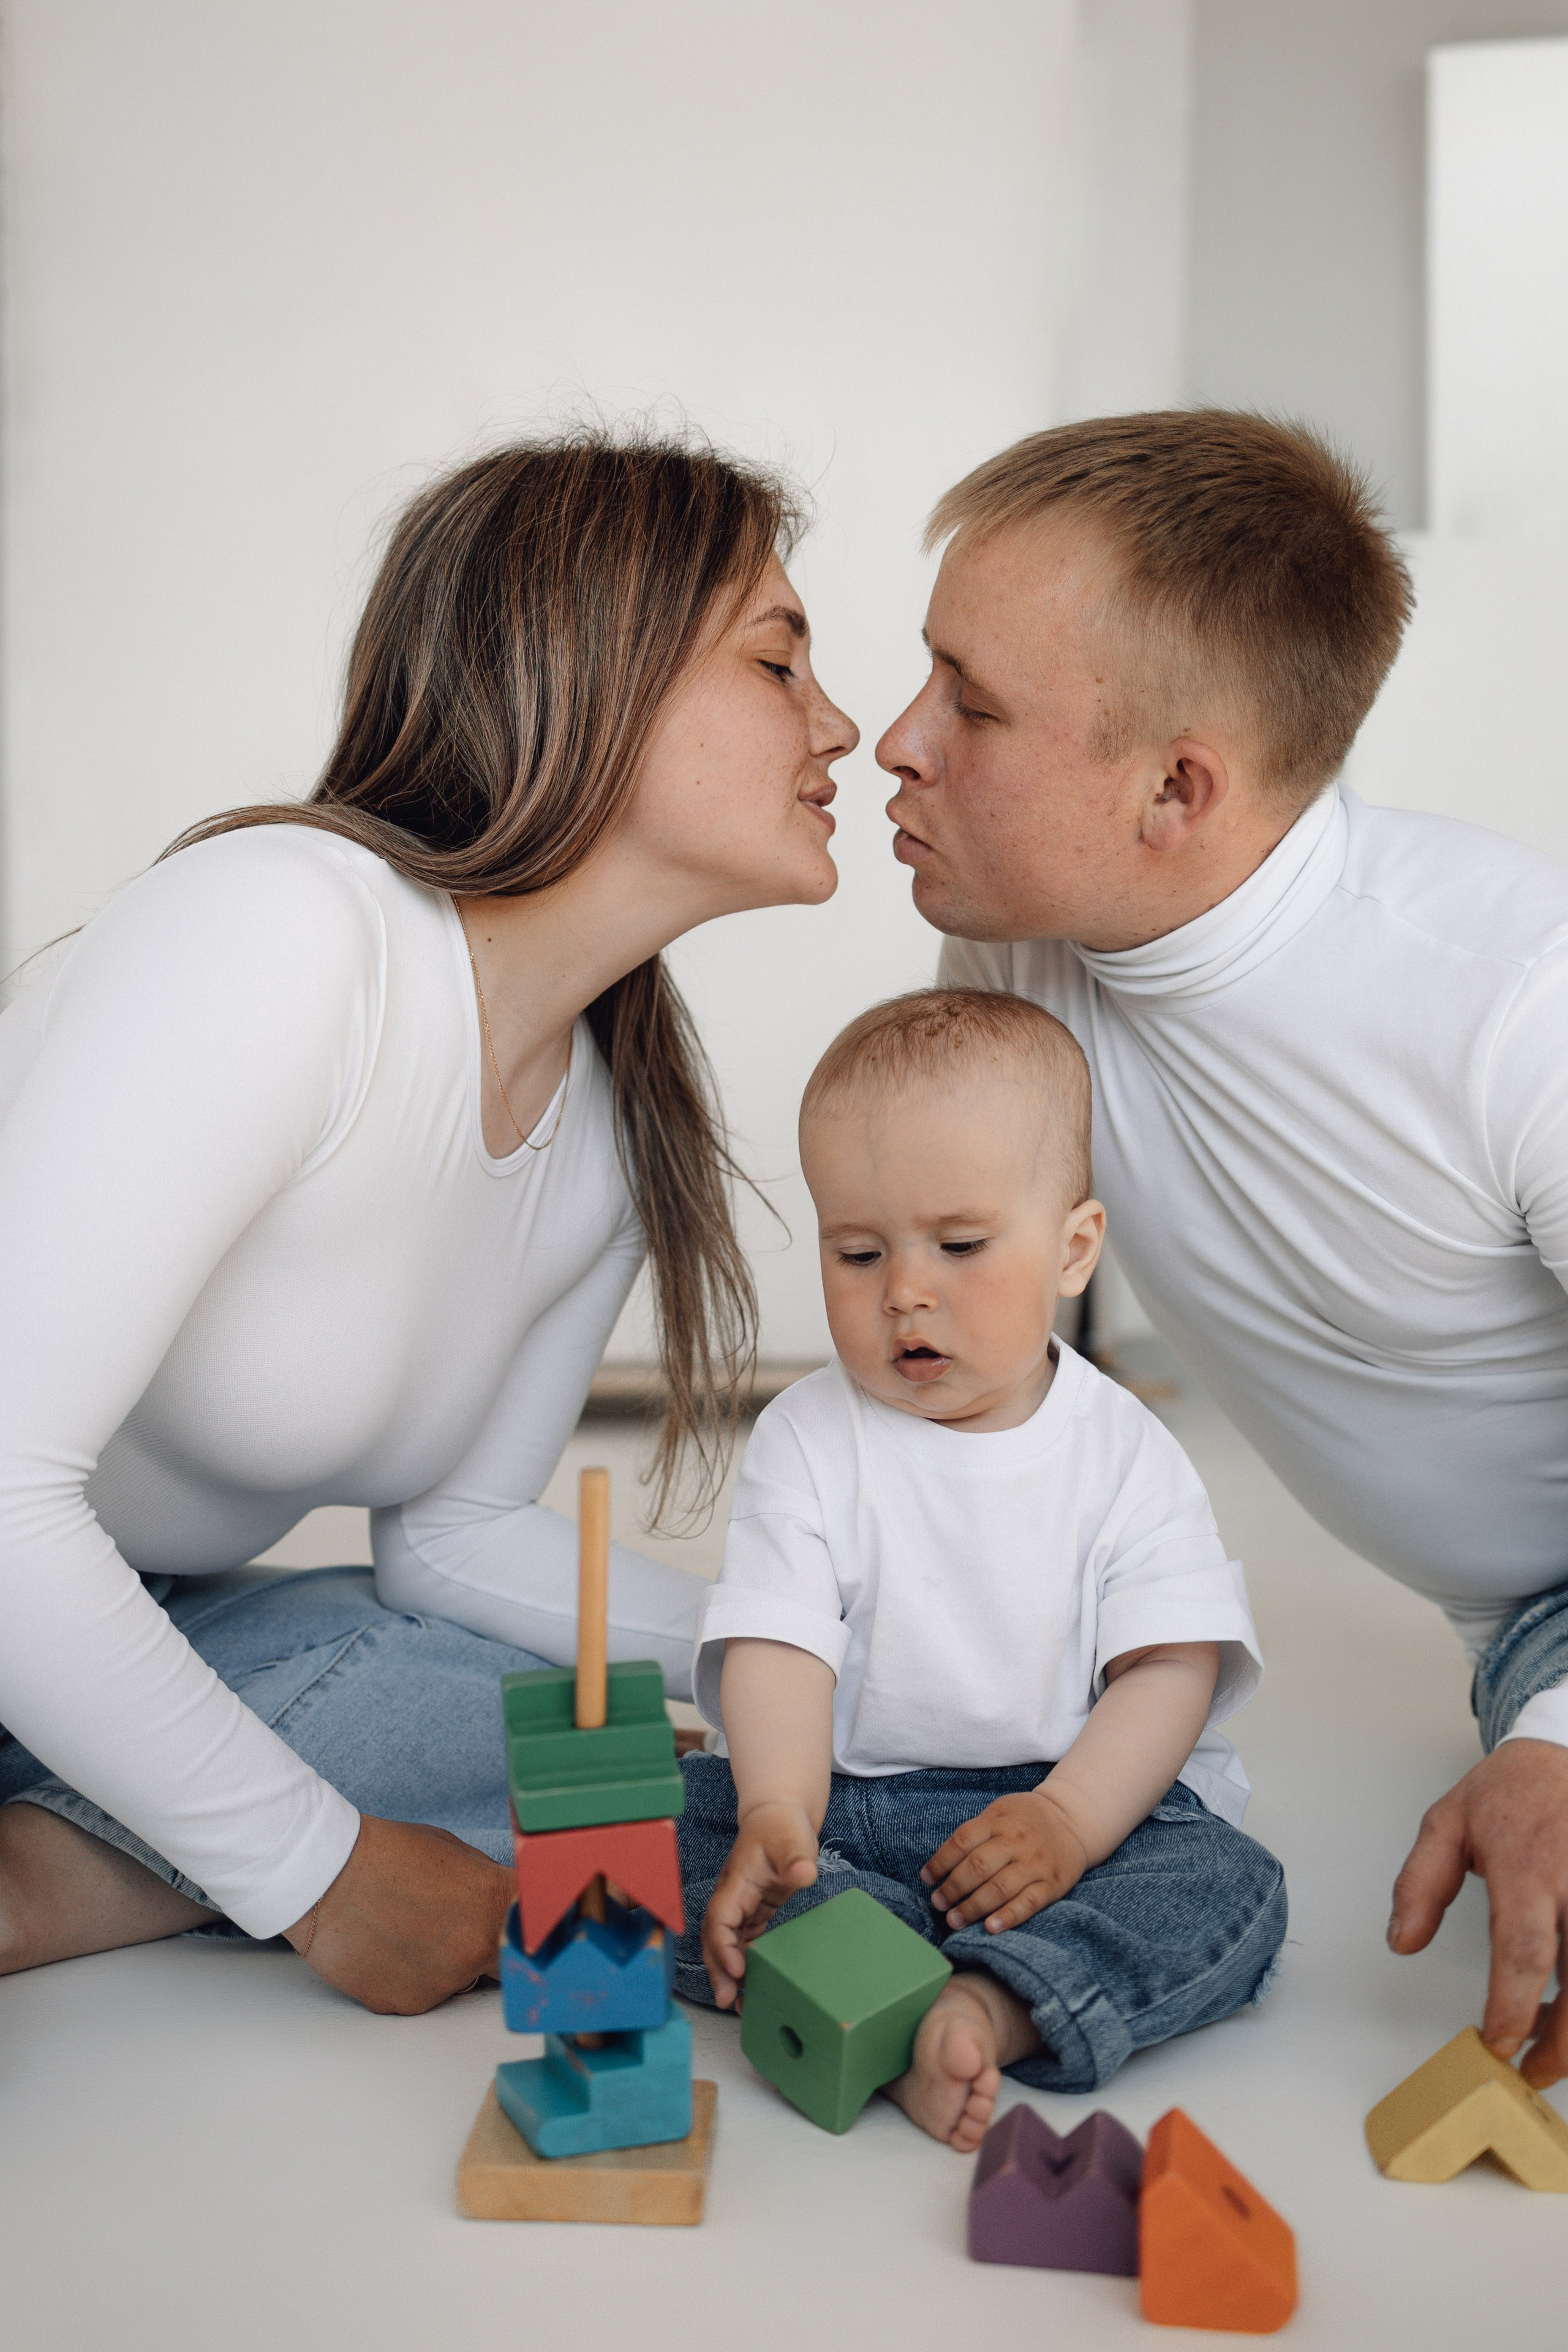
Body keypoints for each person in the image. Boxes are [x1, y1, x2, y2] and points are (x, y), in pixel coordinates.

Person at [0, 428, 858, 2013]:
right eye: (779, 662)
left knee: (585, 1722)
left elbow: (451, 1542)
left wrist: (803, 1660)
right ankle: (82, 1876)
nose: (842, 727)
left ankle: (91, 1848)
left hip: (111, 1627)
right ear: (595, 668)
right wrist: (319, 1879)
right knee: (574, 1766)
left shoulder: (610, 1119)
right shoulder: (282, 933)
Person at [875, 407, 1568, 2088]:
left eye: (971, 704)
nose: (899, 743)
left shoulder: (1514, 997)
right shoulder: (1022, 965)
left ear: (1179, 788)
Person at [676, 989, 1285, 2149]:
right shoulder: (809, 1437)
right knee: (683, 1834)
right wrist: (777, 1810)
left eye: (959, 1246)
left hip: (1074, 1811)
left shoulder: (1125, 1455)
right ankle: (883, 1977)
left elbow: (1169, 1670)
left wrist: (1066, 1822)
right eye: (858, 1252)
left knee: (1228, 1881)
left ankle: (990, 2001)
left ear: (1073, 1249)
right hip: (851, 1806)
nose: (905, 1288)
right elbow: (780, 1645)